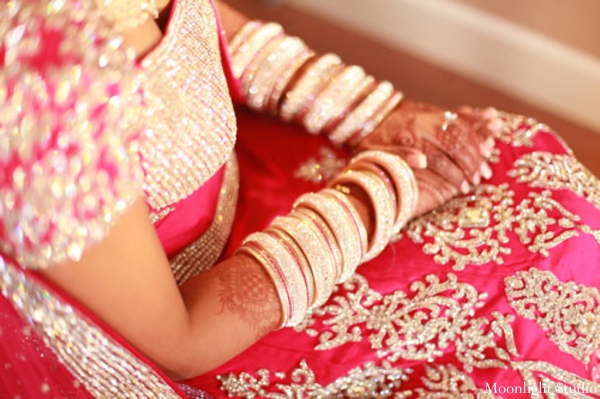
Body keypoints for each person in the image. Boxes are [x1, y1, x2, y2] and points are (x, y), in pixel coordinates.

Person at [1, 0, 599, 397]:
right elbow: (176, 343)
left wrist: (375, 112)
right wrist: (384, 190)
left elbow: (207, 27)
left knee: (547, 194)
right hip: (200, 324)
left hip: (246, 187)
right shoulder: (34, 96)